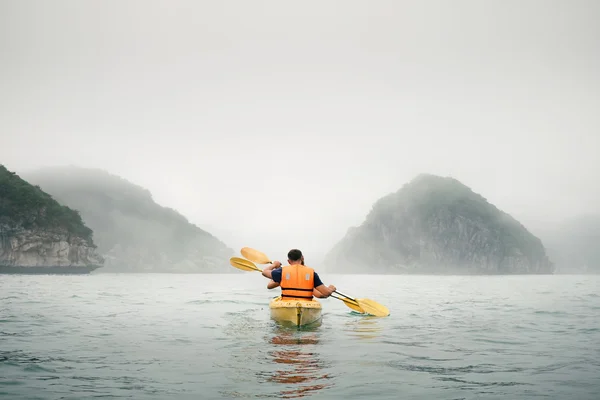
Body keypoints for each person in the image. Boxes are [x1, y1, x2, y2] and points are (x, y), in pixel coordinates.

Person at [262, 249, 336, 299]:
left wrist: (274, 265)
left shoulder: (282, 271)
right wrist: (331, 289)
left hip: (288, 303)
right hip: (305, 302)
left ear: (288, 261)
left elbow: (264, 272)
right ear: (302, 258)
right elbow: (325, 293)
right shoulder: (311, 273)